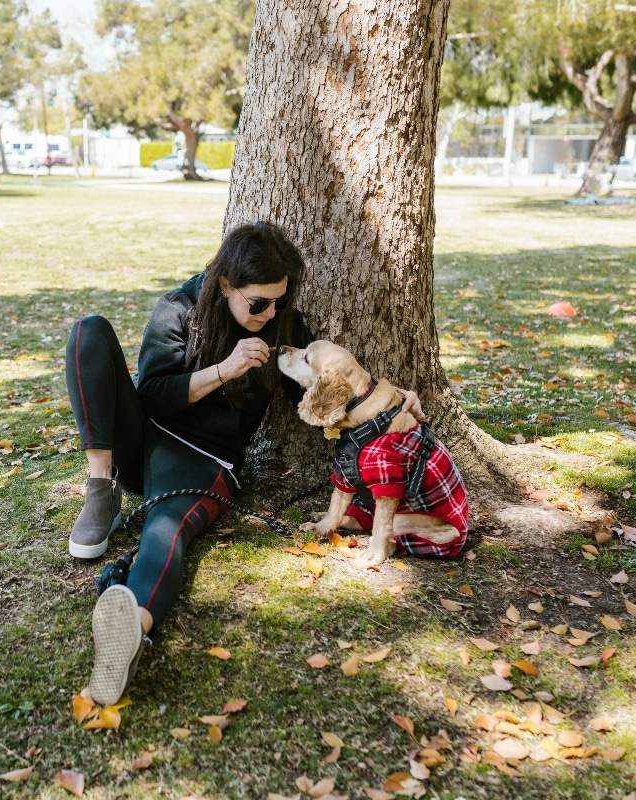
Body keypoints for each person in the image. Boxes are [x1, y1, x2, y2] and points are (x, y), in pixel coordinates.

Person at [64, 222, 423, 705]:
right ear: (226, 285)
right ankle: (99, 487)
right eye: (259, 303)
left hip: (202, 460)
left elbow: (334, 379)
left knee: (164, 534)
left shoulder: (283, 325)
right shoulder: (179, 308)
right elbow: (150, 394)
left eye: (280, 299)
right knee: (89, 331)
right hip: (143, 436)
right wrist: (222, 370)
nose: (271, 312)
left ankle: (133, 626)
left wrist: (393, 399)